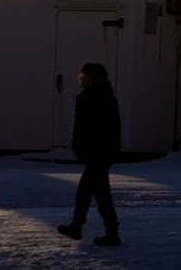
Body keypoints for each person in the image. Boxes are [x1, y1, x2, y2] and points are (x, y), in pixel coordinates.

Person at [57, 61, 122, 246]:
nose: (80, 80)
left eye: (83, 76)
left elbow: (90, 128)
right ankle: (93, 229)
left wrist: (83, 147)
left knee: (91, 192)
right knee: (98, 193)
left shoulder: (93, 96)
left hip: (97, 152)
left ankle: (82, 227)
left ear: (92, 77)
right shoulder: (103, 95)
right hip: (102, 152)